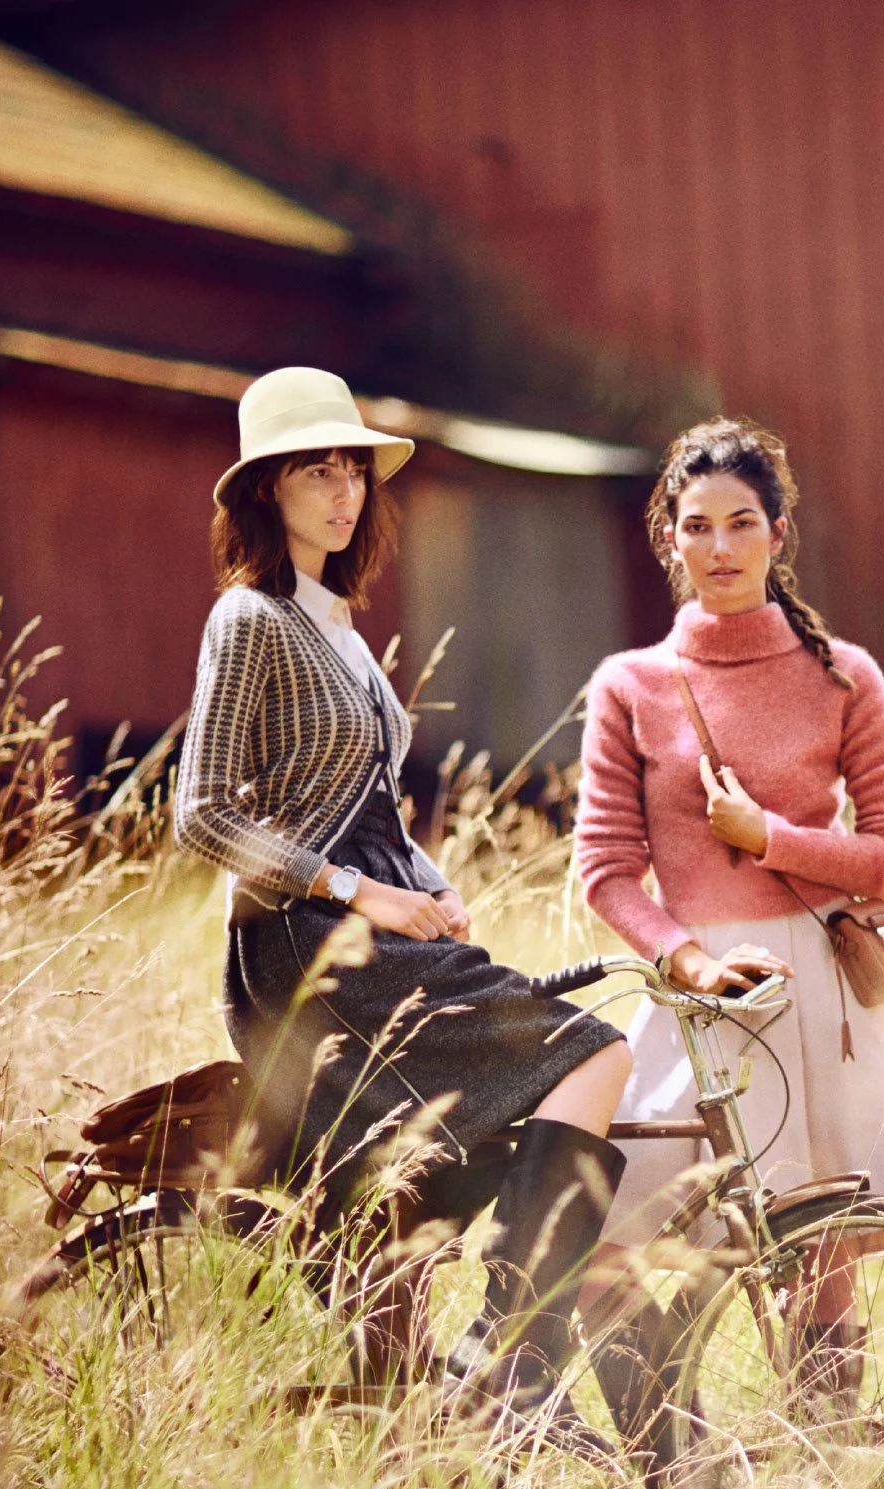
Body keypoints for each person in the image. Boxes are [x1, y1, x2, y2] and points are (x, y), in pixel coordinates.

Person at [173, 366, 632, 1423]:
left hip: (375, 942)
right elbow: (199, 814)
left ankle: (436, 1394)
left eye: (353, 472)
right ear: (265, 492)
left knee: (469, 1158)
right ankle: (508, 1355)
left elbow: (367, 810)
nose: (343, 492)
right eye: (314, 471)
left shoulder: (339, 628)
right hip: (302, 956)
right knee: (596, 1052)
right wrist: (355, 894)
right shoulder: (249, 620)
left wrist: (430, 888)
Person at [575, 417, 884, 1409]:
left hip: (824, 999)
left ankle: (833, 1471)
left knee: (818, 1254)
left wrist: (769, 839)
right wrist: (684, 960)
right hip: (700, 992)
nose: (720, 548)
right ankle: (678, 1467)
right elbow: (606, 869)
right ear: (667, 535)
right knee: (611, 1242)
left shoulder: (845, 675)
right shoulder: (630, 687)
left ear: (778, 533)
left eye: (742, 523)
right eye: (698, 525)